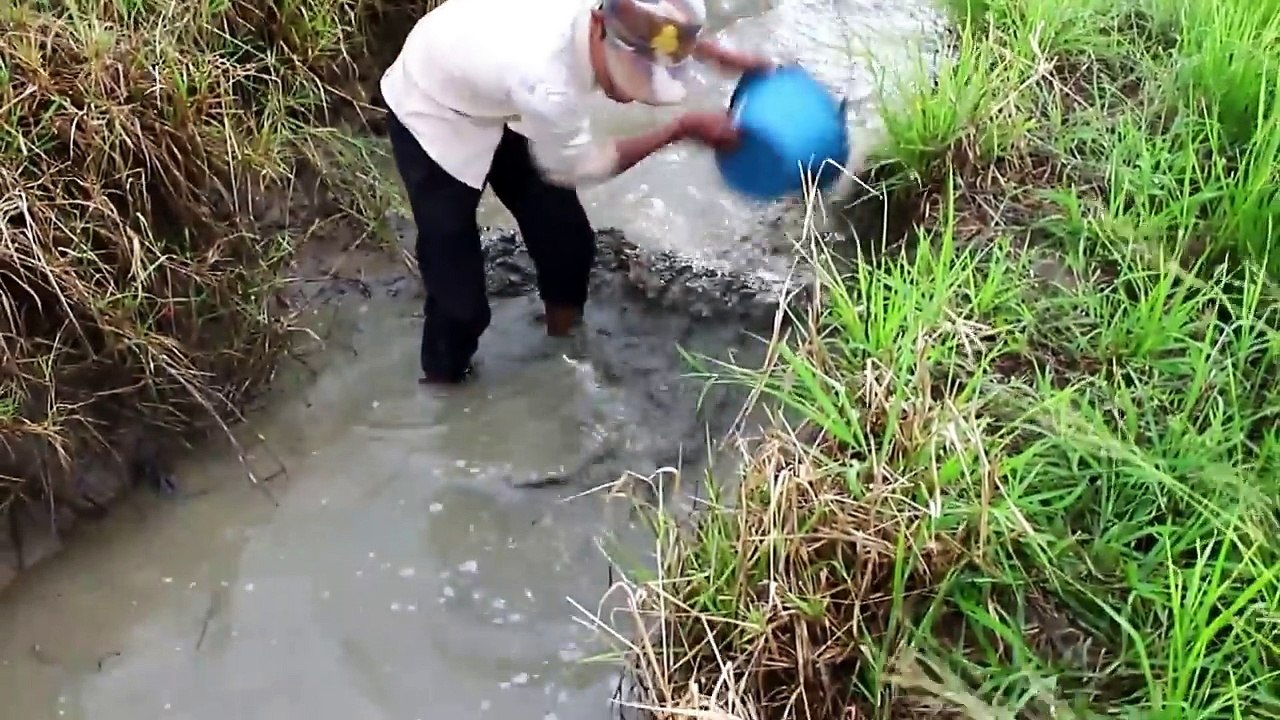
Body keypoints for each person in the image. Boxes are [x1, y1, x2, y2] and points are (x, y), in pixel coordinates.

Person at [379, 0, 774, 385]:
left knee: (570, 247)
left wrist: (710, 51)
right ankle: (442, 388)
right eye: (628, 74)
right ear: (598, 27)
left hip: (497, 82)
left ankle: (562, 348)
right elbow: (584, 166)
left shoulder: (607, 13)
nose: (633, 92)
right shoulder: (549, 85)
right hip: (433, 105)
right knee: (460, 307)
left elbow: (648, 22)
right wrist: (679, 131)